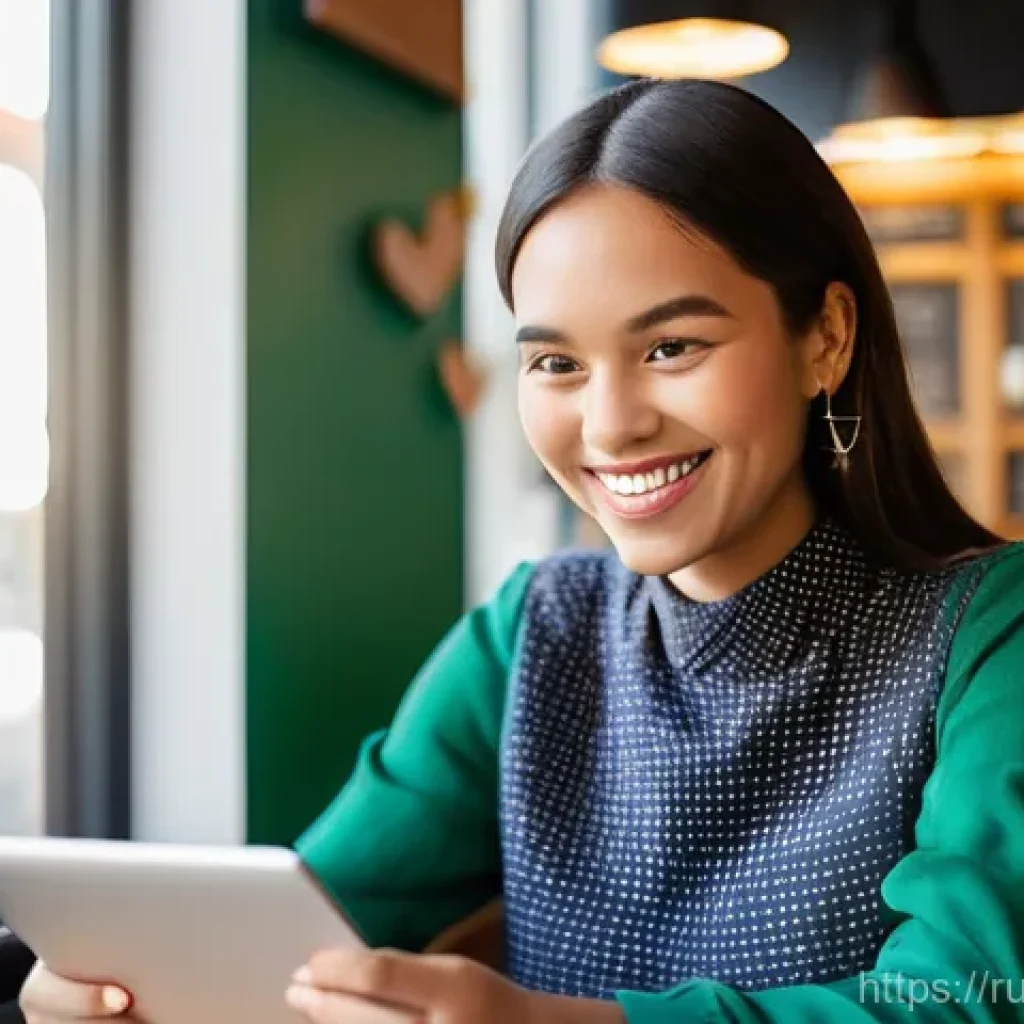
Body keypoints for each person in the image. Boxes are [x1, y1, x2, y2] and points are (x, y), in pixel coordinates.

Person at [19, 78, 1024, 1024]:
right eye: (554, 362)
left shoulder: (989, 630)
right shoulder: (531, 632)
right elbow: (302, 936)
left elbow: (970, 999)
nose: (612, 423)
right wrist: (119, 985)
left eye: (671, 346)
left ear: (826, 339)